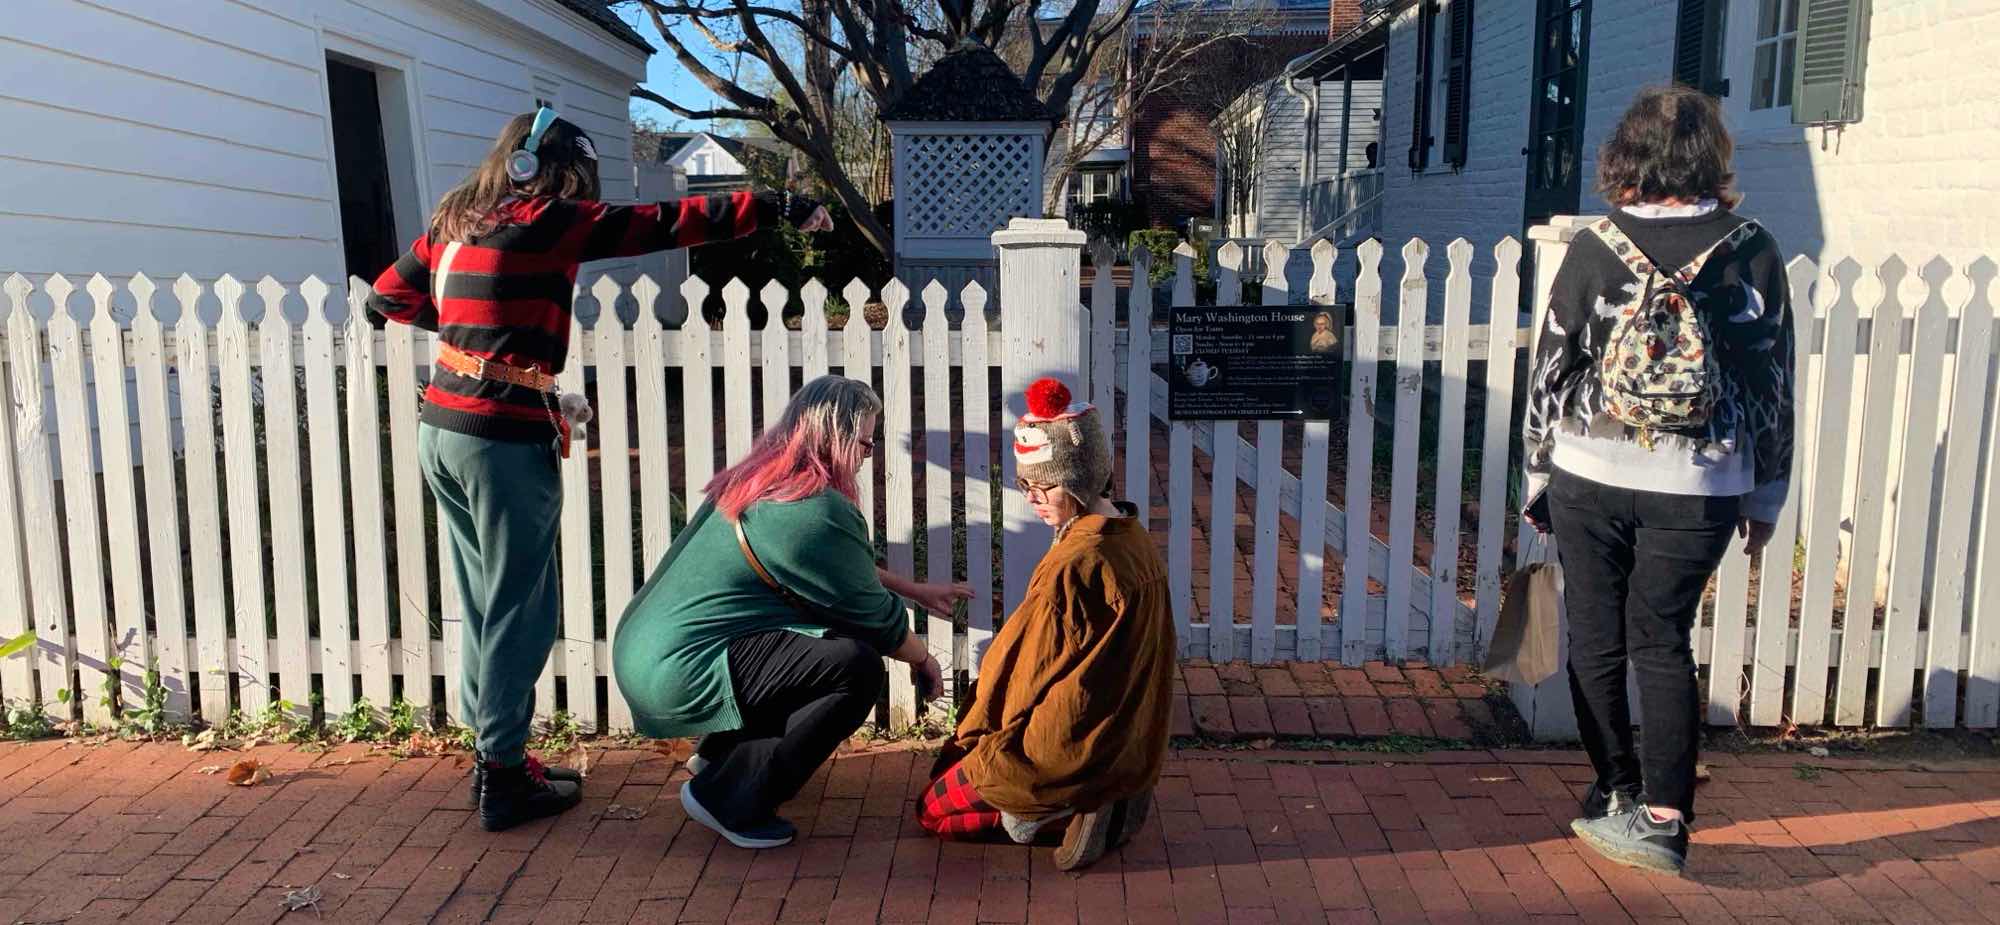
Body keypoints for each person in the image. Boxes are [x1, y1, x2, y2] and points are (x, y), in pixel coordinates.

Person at [368, 105, 830, 833]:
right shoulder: (546, 218)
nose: (582, 192)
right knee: (523, 603)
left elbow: (386, 298)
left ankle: (496, 753)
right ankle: (503, 774)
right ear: (553, 168)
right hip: (499, 436)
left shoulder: (454, 222)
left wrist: (468, 334)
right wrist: (777, 205)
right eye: (578, 177)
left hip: (442, 428)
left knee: (483, 599)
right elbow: (665, 223)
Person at [1521, 85, 1795, 876]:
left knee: (1597, 639)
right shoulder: (1753, 247)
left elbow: (1551, 369)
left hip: (1591, 471)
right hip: (1702, 483)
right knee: (1662, 641)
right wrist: (1766, 496)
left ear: (1627, 155)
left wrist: (1538, 475)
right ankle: (1666, 821)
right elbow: (1773, 381)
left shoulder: (1595, 247)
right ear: (1712, 156)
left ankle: (1614, 789)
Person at [613, 376, 970, 849]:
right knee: (853, 666)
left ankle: (720, 757)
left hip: (650, 650)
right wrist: (923, 660)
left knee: (805, 649)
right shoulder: (812, 508)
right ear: (837, 439)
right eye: (865, 442)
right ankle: (729, 798)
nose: (868, 453)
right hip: (678, 670)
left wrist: (912, 590)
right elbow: (877, 622)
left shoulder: (766, 483)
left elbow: (833, 565)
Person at [918, 377, 1174, 872]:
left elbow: (1021, 673)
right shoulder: (1131, 534)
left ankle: (1064, 807)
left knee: (932, 812)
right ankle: (1110, 789)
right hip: (1125, 734)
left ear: (1080, 479)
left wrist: (981, 739)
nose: (1032, 498)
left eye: (1045, 485)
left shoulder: (1073, 564)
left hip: (1066, 742)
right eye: (1024, 485)